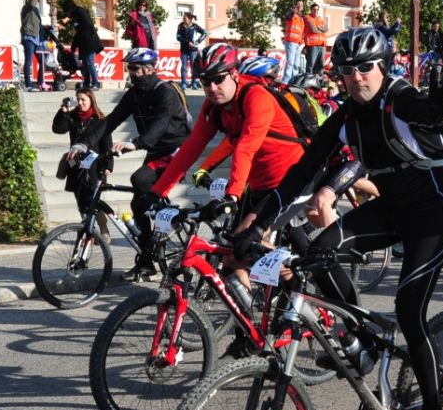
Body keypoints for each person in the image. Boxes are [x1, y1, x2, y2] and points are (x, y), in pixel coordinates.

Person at [234, 26, 443, 410]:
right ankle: (363, 343)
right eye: (346, 70)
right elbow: (301, 174)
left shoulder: (401, 98)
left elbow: (433, 113)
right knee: (317, 253)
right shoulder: (345, 117)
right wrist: (256, 226)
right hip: (392, 207)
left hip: (435, 210)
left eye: (365, 67)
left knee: (410, 308)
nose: (356, 77)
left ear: (385, 65)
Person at [150, 43, 309, 224]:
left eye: (218, 79)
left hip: (289, 178)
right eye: (205, 82)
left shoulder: (257, 97)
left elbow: (245, 147)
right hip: (258, 183)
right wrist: (157, 192)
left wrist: (232, 195)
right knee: (236, 245)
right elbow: (191, 149)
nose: (212, 88)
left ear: (234, 74)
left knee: (252, 241)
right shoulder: (213, 107)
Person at [68, 48, 191, 279]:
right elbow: (111, 121)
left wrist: (136, 143)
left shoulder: (165, 92)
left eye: (134, 69)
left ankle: (171, 220)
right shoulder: (134, 94)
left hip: (177, 150)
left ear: (149, 69)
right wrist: (83, 143)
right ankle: (147, 260)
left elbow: (162, 124)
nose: (131, 73)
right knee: (138, 206)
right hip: (155, 152)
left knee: (139, 179)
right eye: (129, 68)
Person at [53, 87, 111, 240]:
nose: (80, 103)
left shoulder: (100, 119)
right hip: (75, 164)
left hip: (95, 165)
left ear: (91, 100)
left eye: (83, 100)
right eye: (78, 100)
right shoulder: (72, 117)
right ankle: (88, 230)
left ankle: (103, 228)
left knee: (93, 200)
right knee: (81, 199)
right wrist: (64, 111)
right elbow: (58, 129)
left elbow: (107, 145)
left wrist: (108, 166)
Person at [57, 0, 102, 90]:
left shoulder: (81, 11)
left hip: (90, 42)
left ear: (69, 9)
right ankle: (86, 84)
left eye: (67, 11)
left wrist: (78, 28)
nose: (67, 14)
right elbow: (78, 33)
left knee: (90, 63)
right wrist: (74, 46)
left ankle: (95, 83)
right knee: (85, 65)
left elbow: (88, 25)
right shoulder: (74, 17)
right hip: (83, 43)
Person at [20, 0, 44, 91]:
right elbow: (31, 5)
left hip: (36, 39)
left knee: (42, 61)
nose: (38, 2)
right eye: (36, 0)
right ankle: (28, 84)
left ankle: (39, 82)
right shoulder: (26, 8)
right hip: (28, 37)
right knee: (28, 61)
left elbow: (38, 23)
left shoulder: (36, 10)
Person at [176, 12, 207, 90]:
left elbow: (205, 33)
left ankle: (194, 83)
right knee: (184, 67)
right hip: (184, 50)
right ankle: (184, 83)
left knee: (194, 67)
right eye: (183, 18)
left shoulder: (195, 26)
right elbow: (178, 37)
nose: (183, 19)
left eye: (185, 18)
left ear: (189, 19)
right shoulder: (180, 26)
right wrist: (187, 42)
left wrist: (197, 42)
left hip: (193, 50)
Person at [280, 0, 306, 85]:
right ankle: (285, 81)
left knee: (296, 64)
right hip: (291, 42)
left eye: (301, 5)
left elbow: (302, 32)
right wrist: (293, 10)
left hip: (298, 44)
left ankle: (294, 82)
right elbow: (287, 16)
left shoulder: (301, 19)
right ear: (295, 6)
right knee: (290, 63)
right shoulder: (292, 14)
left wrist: (302, 43)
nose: (299, 7)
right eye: (298, 5)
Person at [303, 3, 329, 74]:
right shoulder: (307, 18)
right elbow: (313, 29)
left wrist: (318, 27)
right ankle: (309, 81)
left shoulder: (320, 19)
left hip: (322, 45)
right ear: (311, 10)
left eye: (317, 10)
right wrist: (321, 28)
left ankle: (320, 82)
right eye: (314, 10)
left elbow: (326, 28)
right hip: (312, 45)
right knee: (311, 66)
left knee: (321, 67)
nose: (316, 11)